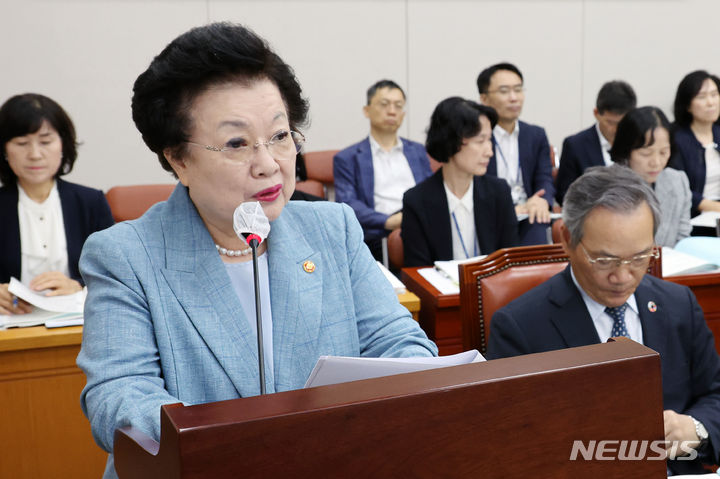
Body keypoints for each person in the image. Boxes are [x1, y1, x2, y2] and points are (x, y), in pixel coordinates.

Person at [76, 23, 437, 479]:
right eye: (236, 143)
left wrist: (424, 386)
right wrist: (232, 446)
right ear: (178, 159)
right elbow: (119, 395)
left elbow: (396, 341)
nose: (269, 164)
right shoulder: (125, 256)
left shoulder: (332, 228)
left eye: (280, 136)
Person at [487, 165, 720, 475]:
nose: (622, 276)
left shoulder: (678, 305)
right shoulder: (519, 326)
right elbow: (507, 440)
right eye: (604, 260)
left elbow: (715, 393)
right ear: (568, 240)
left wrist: (696, 428)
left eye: (640, 258)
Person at [0, 93, 113, 315]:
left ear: (63, 145)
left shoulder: (91, 202)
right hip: (10, 329)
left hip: (77, 325)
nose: (34, 154)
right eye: (22, 143)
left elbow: (115, 275)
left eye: (45, 141)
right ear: (4, 150)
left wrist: (79, 286)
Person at [401, 97, 518, 267]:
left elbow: (510, 261)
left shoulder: (499, 192)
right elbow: (417, 272)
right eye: (480, 141)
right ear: (451, 142)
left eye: (490, 140)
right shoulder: (417, 200)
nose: (489, 152)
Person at [334, 80, 432, 260]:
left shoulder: (418, 151)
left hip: (421, 227)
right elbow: (347, 203)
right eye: (384, 104)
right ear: (367, 110)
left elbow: (431, 191)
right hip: (379, 233)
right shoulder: (348, 158)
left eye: (398, 106)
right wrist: (387, 221)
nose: (392, 111)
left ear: (403, 114)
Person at [476, 62, 553, 245]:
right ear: (484, 99)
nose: (513, 98)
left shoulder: (535, 135)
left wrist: (541, 200)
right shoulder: (478, 138)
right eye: (504, 91)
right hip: (494, 214)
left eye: (518, 90)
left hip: (529, 213)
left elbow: (545, 178)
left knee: (538, 221)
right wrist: (509, 209)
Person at [610, 106, 691, 247]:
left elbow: (682, 240)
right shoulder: (606, 187)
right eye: (646, 154)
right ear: (626, 150)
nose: (656, 162)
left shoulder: (678, 181)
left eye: (663, 152)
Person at [555, 80, 637, 206]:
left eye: (621, 123)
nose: (616, 129)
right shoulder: (575, 145)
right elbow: (564, 195)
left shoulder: (638, 144)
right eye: (609, 122)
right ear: (596, 114)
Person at [669, 70, 720, 216]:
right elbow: (679, 189)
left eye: (714, 94)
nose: (711, 103)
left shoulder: (718, 132)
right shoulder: (677, 139)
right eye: (702, 97)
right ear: (687, 105)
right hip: (694, 216)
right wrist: (715, 207)